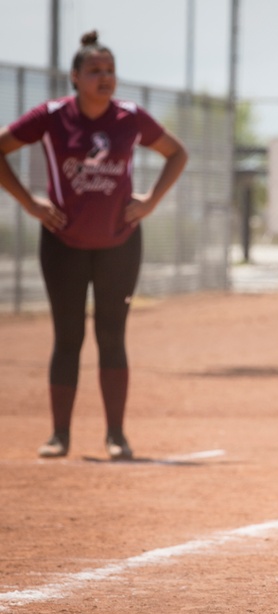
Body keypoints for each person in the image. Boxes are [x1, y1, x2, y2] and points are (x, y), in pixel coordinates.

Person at [0, 31, 188, 460]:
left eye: (110, 71)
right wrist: (29, 203)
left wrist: (151, 201)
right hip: (62, 242)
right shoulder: (51, 117)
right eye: (95, 71)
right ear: (74, 77)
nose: (105, 78)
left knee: (111, 334)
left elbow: (177, 153)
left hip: (118, 243)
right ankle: (59, 435)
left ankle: (116, 435)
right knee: (67, 337)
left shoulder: (130, 118)